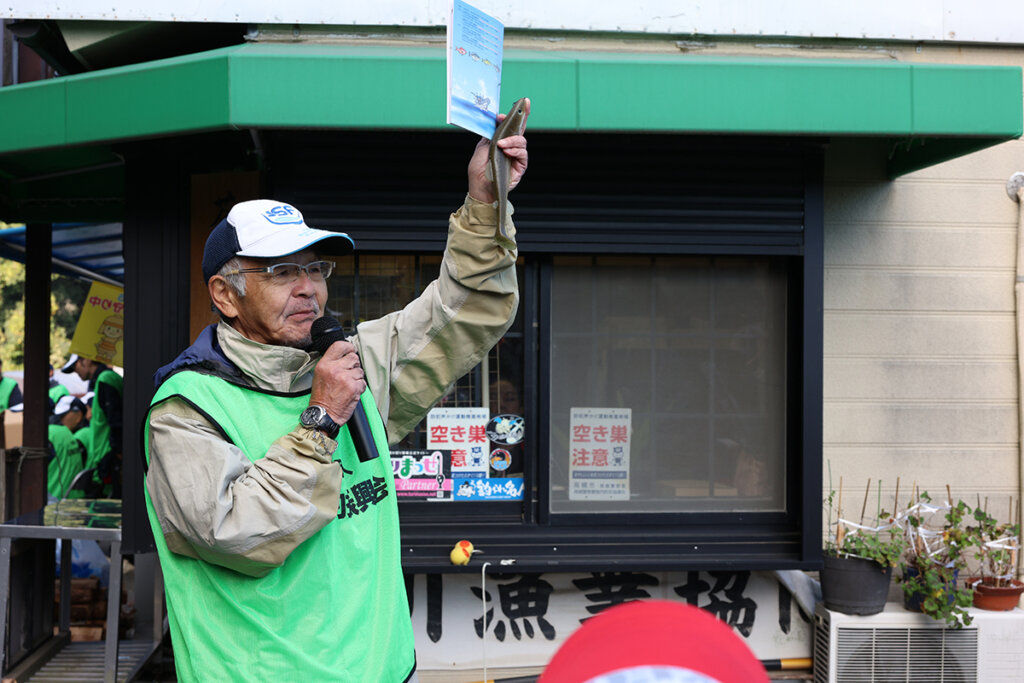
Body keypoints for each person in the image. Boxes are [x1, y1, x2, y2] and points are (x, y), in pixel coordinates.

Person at [143, 100, 530, 683]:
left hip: (384, 668)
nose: (306, 289)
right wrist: (321, 420)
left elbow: (465, 310)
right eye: (279, 273)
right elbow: (234, 534)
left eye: (314, 270)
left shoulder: (350, 361)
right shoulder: (187, 407)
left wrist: (485, 202)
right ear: (225, 295)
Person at [61, 354, 123, 497]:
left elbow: (115, 420)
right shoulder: (107, 379)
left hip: (107, 457)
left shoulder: (105, 379)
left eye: (75, 367)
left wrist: (117, 453)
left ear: (87, 360)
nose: (76, 373)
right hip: (107, 457)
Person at [46, 395, 88, 499]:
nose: (61, 418)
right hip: (74, 498)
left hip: (54, 502)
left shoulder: (50, 434)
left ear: (78, 416)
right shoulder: (68, 434)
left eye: (64, 415)